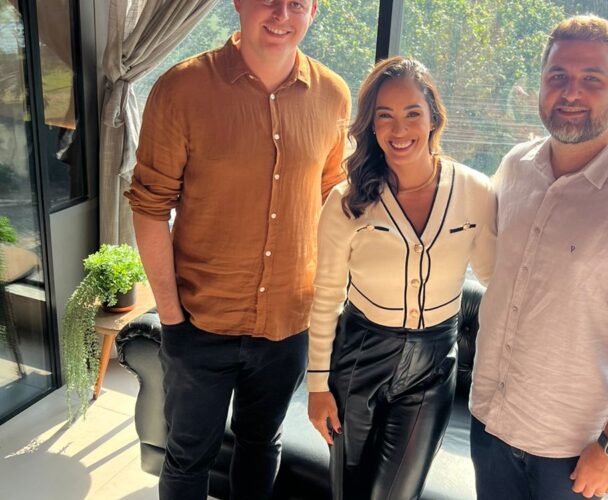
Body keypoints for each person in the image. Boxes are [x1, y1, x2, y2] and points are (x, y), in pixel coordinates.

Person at [124, 1, 350, 498]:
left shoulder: (332, 95)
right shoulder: (182, 89)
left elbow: (332, 202)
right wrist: (171, 318)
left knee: (261, 443)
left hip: (288, 325)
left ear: (314, 10)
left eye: (297, 3)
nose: (282, 13)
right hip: (200, 321)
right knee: (188, 456)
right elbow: (149, 207)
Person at [470, 15, 608, 500]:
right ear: (541, 83)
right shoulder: (515, 167)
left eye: (591, 78)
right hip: (489, 422)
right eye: (558, 76)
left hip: (572, 452)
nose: (570, 92)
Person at [305, 56, 496, 500]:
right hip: (359, 358)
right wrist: (317, 386)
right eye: (384, 116)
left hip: (434, 364)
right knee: (348, 492)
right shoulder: (346, 200)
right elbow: (327, 297)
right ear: (371, 125)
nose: (399, 129)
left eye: (412, 113)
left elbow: (495, 276)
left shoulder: (475, 191)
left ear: (433, 118)